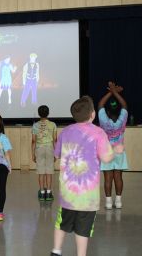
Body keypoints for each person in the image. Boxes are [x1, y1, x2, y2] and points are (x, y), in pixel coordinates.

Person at [50, 96, 113, 256]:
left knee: (62, 222)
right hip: (87, 196)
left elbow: (56, 154)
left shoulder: (65, 131)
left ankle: (56, 251)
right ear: (92, 114)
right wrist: (116, 150)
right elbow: (106, 157)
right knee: (83, 229)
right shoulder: (98, 132)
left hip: (67, 193)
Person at [98, 82, 129, 209]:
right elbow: (125, 105)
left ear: (107, 112)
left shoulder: (104, 121)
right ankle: (119, 201)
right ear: (119, 111)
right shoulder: (122, 121)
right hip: (119, 152)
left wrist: (110, 92)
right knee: (118, 176)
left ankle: (109, 203)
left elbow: (100, 105)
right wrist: (116, 93)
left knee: (107, 178)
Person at [32, 105, 57, 201]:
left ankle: (42, 193)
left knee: (41, 172)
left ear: (39, 114)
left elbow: (33, 141)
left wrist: (32, 153)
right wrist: (56, 152)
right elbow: (55, 140)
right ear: (48, 113)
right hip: (50, 149)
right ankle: (49, 193)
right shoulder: (53, 125)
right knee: (49, 172)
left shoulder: (35, 125)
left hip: (39, 149)